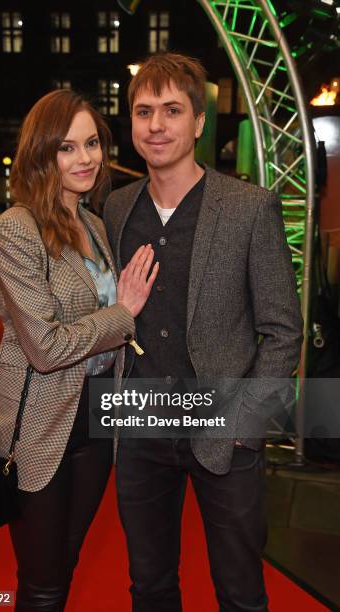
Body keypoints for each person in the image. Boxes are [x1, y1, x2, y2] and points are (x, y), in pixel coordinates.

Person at [103, 53, 303, 611]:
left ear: (198, 122)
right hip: (141, 425)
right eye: (144, 111)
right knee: (149, 587)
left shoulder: (248, 207)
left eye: (172, 110)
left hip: (225, 428)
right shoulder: (116, 209)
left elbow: (282, 329)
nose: (157, 125)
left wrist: (245, 424)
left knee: (240, 593)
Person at [0, 89, 158, 611]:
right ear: (42, 153)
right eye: (68, 147)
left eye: (91, 143)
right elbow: (44, 348)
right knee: (42, 582)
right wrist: (124, 312)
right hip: (42, 422)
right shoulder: (15, 229)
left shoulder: (94, 223)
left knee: (63, 563)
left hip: (96, 416)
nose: (85, 158)